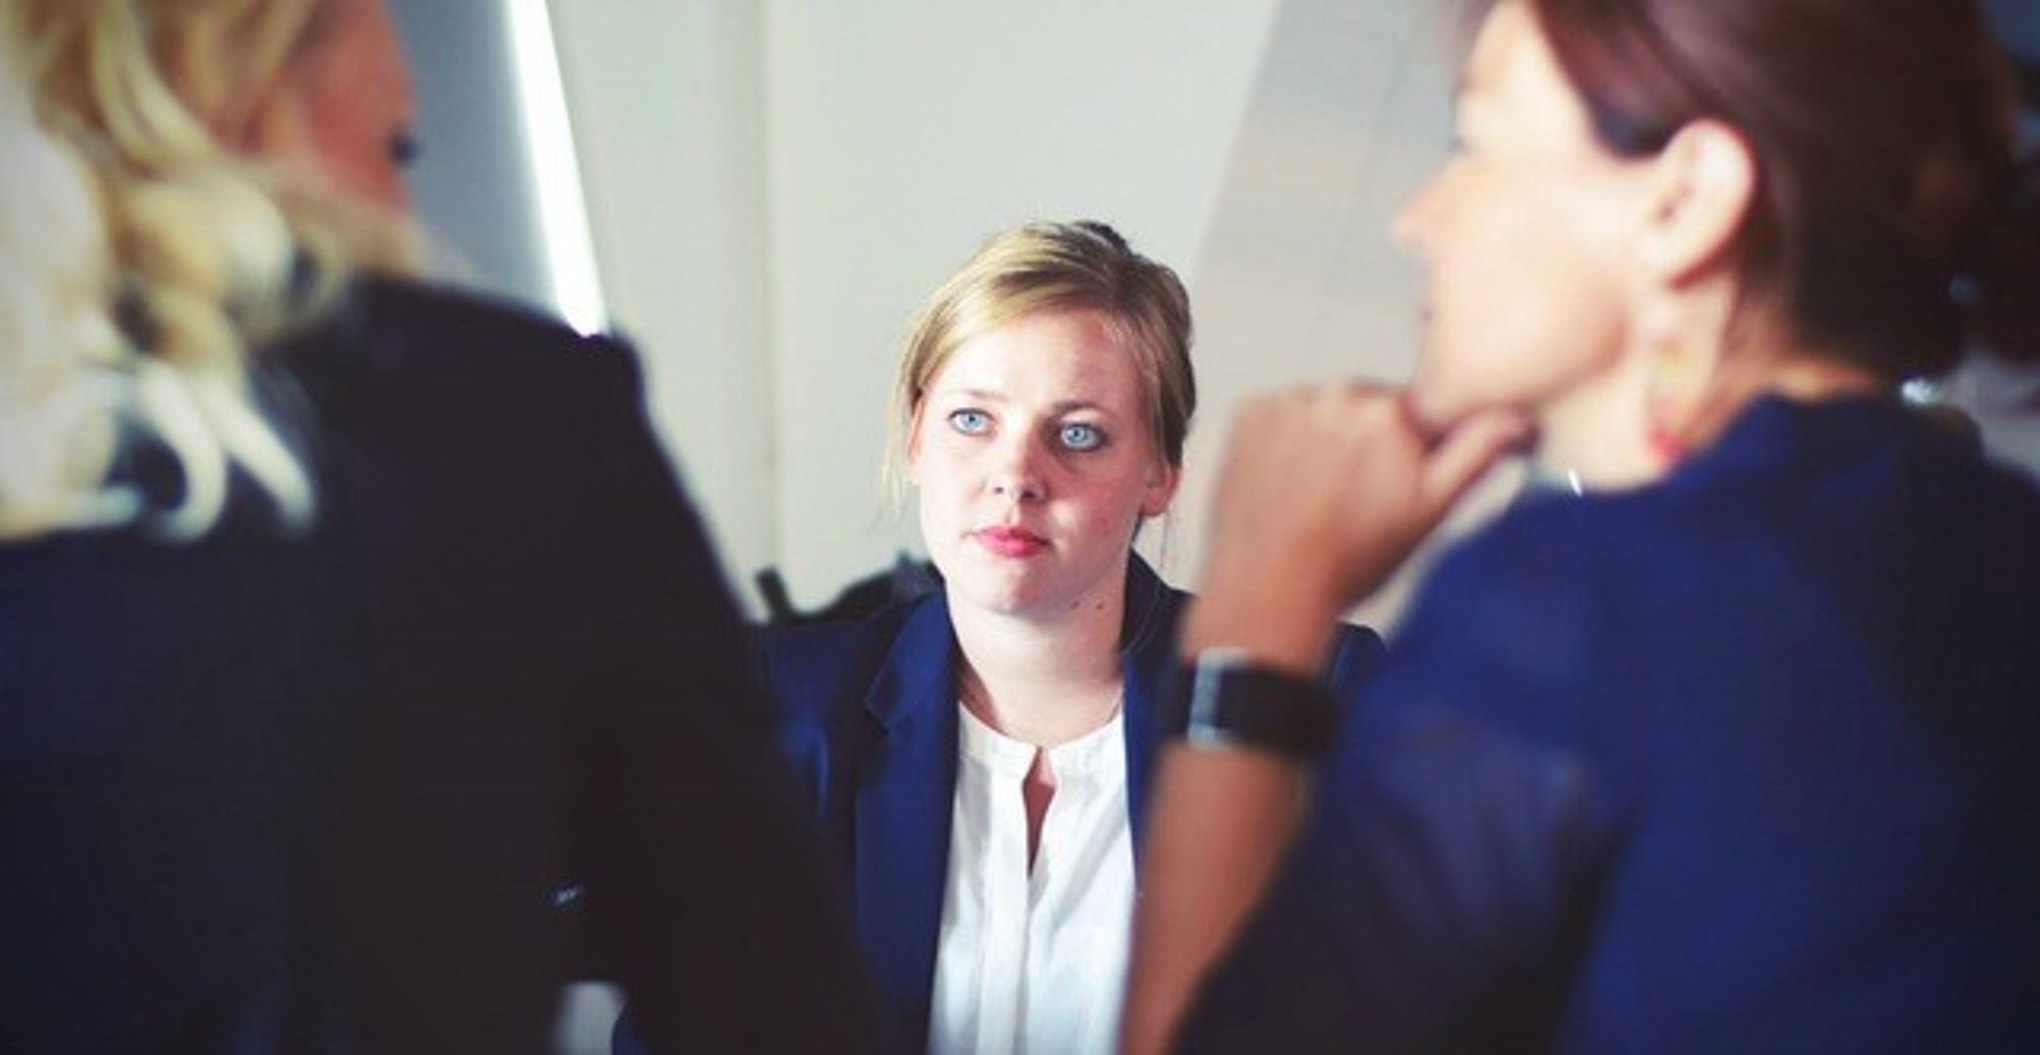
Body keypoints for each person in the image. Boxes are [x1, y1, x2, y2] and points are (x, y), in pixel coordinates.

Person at [1122, 0, 2040, 1050]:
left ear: (1683, 201)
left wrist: (1260, 598)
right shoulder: (1999, 555)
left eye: (1476, 143)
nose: (1419, 217)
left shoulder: (1582, 600)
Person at [0, 0, 882, 1051]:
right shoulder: (502, 419)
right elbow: (765, 999)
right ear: (248, 63)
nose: (406, 198)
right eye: (396, 148)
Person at [766, 221, 1381, 1053]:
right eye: (973, 420)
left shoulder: (1312, 695)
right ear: (916, 437)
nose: (1015, 474)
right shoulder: (785, 713)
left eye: (1079, 432)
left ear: (1160, 473)